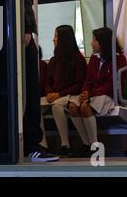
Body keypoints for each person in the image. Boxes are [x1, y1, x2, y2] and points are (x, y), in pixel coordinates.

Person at [18, 0, 59, 162]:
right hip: (21, 36)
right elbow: (19, 0)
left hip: (25, 35)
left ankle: (32, 143)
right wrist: (25, 29)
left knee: (30, 93)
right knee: (26, 93)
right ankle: (30, 145)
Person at [68, 27, 127, 157]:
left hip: (109, 95)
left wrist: (91, 94)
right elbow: (88, 80)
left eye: (94, 40)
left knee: (84, 107)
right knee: (72, 107)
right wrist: (84, 92)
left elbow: (112, 84)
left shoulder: (119, 59)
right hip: (94, 93)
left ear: (103, 42)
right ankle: (86, 144)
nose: (91, 43)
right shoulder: (94, 59)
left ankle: (95, 146)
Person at [44, 25, 87, 157]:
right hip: (57, 96)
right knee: (45, 106)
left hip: (72, 94)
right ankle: (53, 145)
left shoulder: (77, 59)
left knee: (59, 106)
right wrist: (49, 93)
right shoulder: (54, 60)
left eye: (56, 36)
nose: (53, 39)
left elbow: (80, 83)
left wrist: (58, 94)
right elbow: (48, 81)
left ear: (63, 39)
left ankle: (73, 144)